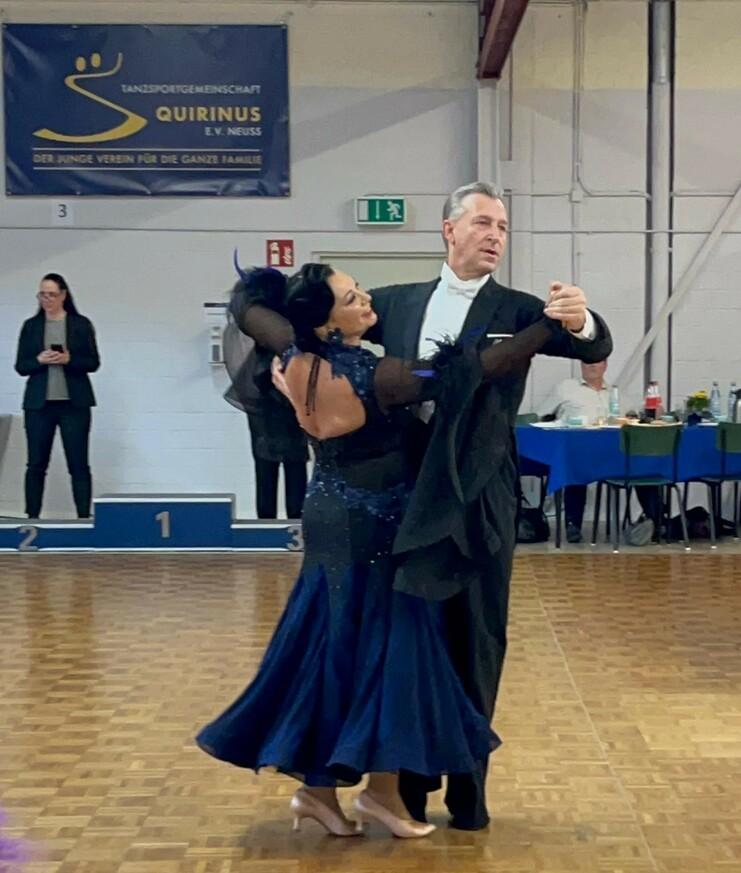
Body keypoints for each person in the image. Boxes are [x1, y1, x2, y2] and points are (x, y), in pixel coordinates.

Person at [238, 181, 613, 830]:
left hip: (478, 499)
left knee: (477, 640)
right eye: (484, 223)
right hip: (402, 500)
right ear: (449, 230)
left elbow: (589, 346)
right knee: (409, 644)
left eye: (502, 226)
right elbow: (321, 324)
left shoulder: (523, 307)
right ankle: (400, 790)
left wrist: (579, 317)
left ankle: (468, 791)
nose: (495, 234)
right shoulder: (392, 302)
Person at [197, 261, 563, 838]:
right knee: (389, 649)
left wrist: (267, 302)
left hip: (327, 516)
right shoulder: (381, 376)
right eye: (350, 297)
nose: (367, 300)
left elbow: (250, 309)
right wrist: (545, 327)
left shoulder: (294, 353)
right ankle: (377, 796)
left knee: (333, 648)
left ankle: (332, 792)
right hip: (375, 525)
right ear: (330, 323)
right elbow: (476, 369)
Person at [538, 359, 659, 544]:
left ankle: (656, 522)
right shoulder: (565, 388)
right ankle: (573, 525)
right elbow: (541, 416)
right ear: (581, 365)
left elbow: (635, 417)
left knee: (644, 465)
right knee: (575, 465)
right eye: (587, 362)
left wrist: (654, 412)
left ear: (605, 366)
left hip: (614, 456)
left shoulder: (616, 393)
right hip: (579, 451)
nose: (592, 366)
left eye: (597, 362)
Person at [14, 273, 100, 519]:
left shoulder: (80, 324)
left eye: (52, 294)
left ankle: (83, 517)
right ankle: (32, 517)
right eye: (42, 294)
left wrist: (69, 359)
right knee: (36, 464)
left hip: (74, 404)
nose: (47, 299)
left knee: (79, 464)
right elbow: (21, 366)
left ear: (63, 295)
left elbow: (93, 362)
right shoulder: (31, 326)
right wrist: (39, 361)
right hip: (39, 405)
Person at [222, 288, 308, 519]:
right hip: (267, 402)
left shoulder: (281, 326)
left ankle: (292, 522)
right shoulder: (267, 328)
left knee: (290, 467)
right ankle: (271, 525)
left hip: (284, 401)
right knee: (269, 467)